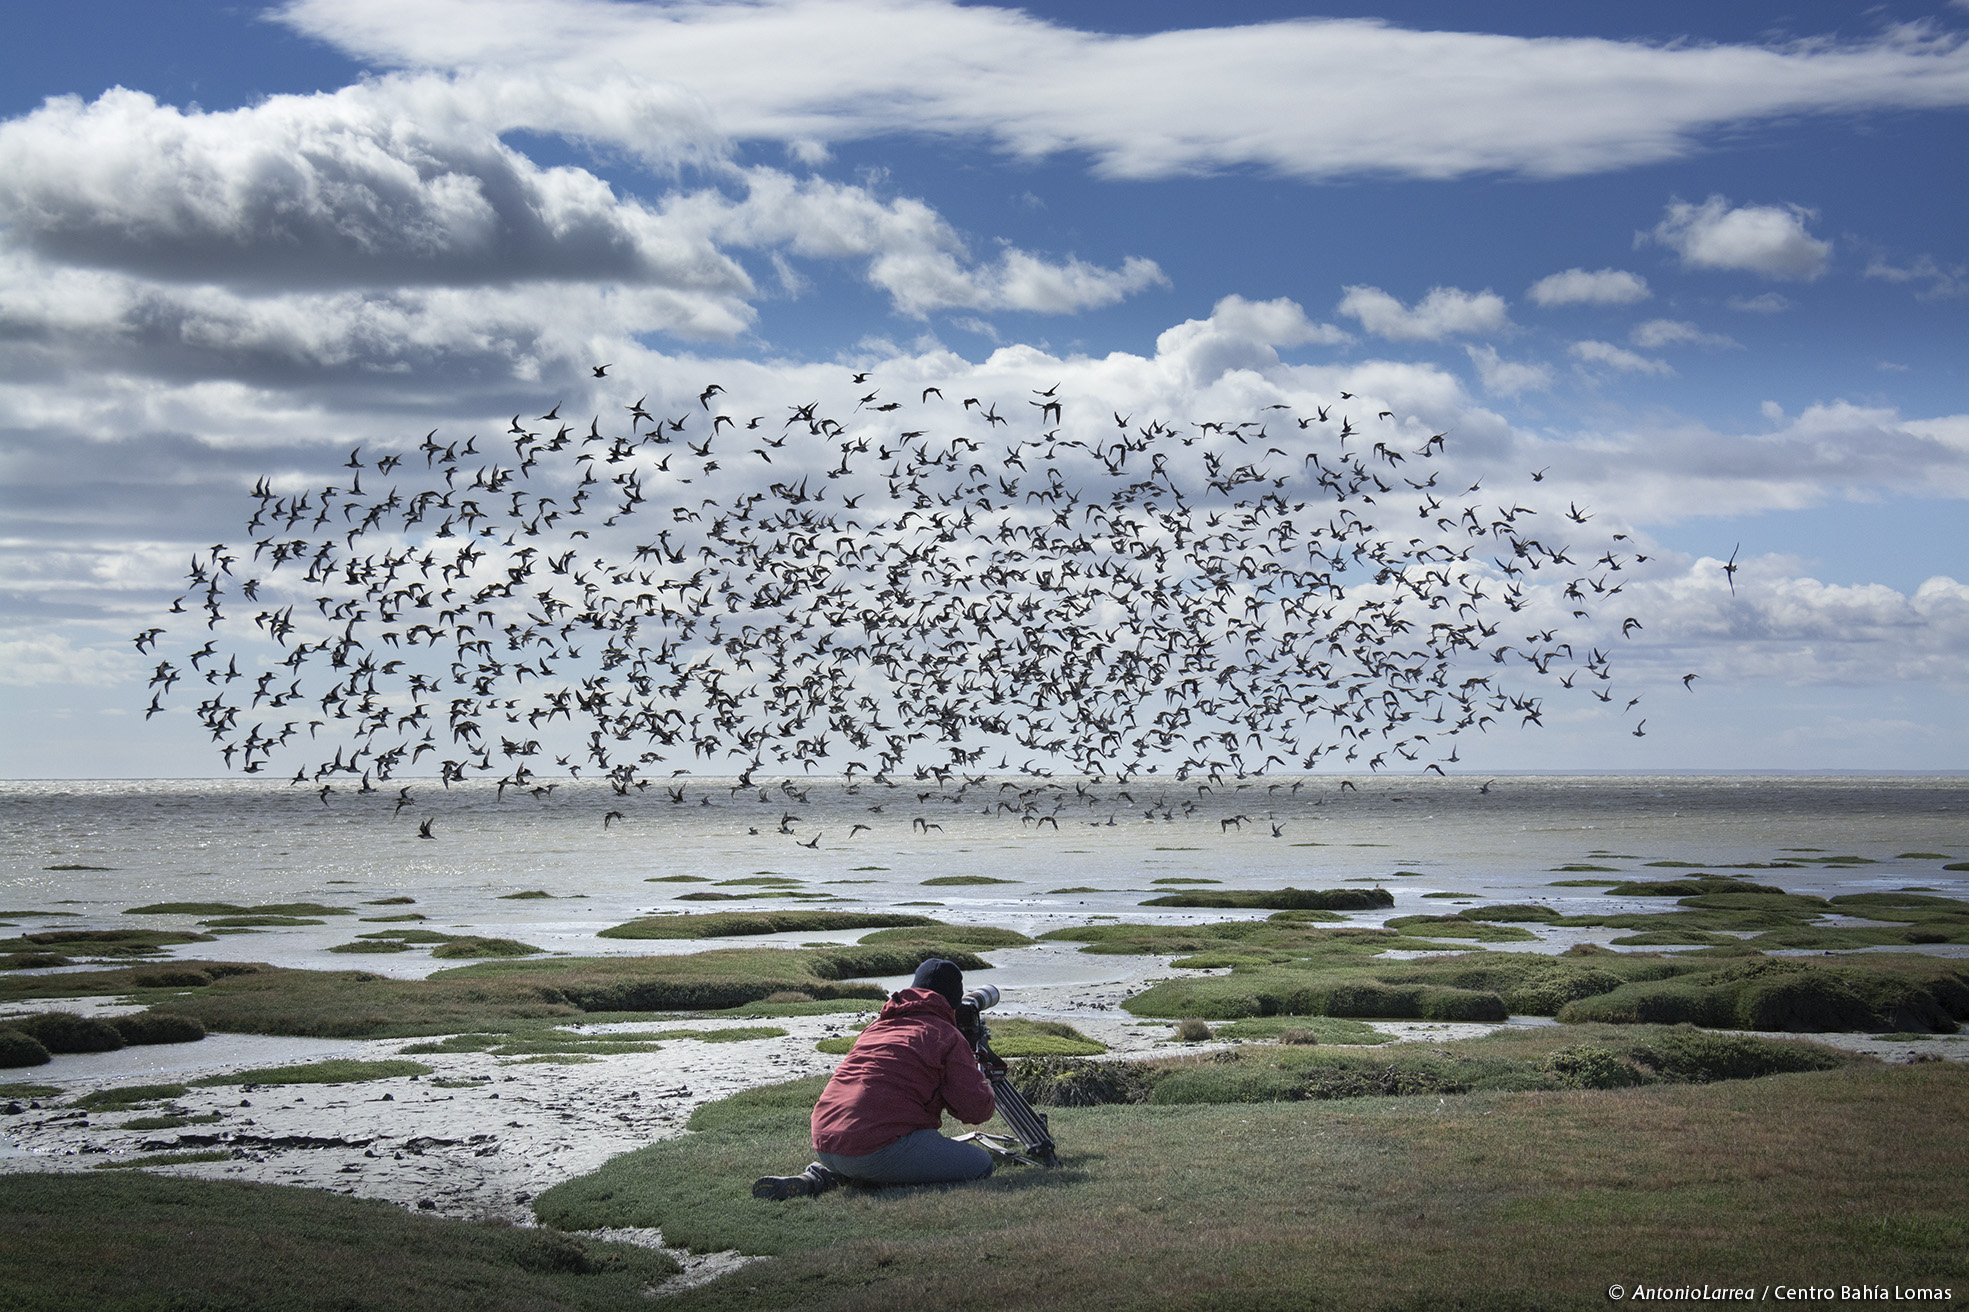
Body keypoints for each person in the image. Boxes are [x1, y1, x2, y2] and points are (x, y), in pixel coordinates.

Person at [753, 958, 996, 1200]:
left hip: (825, 1141)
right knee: (980, 1163)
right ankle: (877, 1176)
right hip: (877, 1148)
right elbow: (975, 1110)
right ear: (953, 1002)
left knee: (883, 1142)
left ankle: (817, 1176)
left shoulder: (878, 1026)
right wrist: (983, 1081)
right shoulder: (946, 1035)